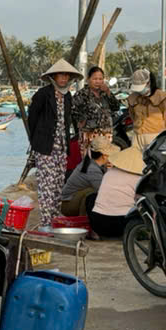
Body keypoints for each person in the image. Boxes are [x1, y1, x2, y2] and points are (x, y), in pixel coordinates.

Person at [27, 58, 80, 231]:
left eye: (66, 76)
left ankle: (55, 220)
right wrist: (36, 142)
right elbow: (32, 119)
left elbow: (68, 120)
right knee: (46, 186)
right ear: (54, 77)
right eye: (60, 75)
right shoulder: (43, 94)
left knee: (58, 185)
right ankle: (45, 223)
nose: (63, 79)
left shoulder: (68, 97)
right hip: (45, 147)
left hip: (61, 147)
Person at [88, 145, 146, 238]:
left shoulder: (109, 173)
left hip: (98, 224)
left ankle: (95, 233)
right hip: (122, 226)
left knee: (91, 197)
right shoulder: (139, 179)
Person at [59, 136, 113, 218]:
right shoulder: (93, 169)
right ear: (104, 155)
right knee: (91, 193)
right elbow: (104, 192)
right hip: (67, 205)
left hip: (70, 200)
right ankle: (84, 220)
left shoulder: (93, 164)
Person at [73, 65, 120, 157]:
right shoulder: (81, 94)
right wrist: (81, 120)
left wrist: (108, 92)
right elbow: (73, 111)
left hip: (106, 134)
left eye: (100, 79)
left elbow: (116, 107)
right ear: (88, 79)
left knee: (106, 160)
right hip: (89, 134)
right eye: (95, 79)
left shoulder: (105, 93)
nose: (98, 81)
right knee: (89, 162)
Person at [127, 68, 166, 149]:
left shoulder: (160, 96)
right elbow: (132, 115)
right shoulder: (132, 98)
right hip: (137, 136)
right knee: (136, 160)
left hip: (156, 135)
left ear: (148, 83)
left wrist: (158, 129)